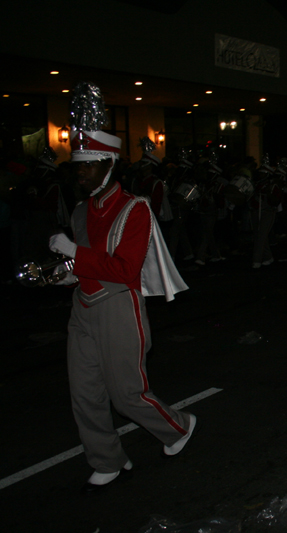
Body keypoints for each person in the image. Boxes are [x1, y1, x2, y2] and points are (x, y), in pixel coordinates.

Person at [47, 82, 194, 492]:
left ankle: (177, 426)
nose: (81, 172)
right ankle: (106, 457)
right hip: (84, 305)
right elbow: (85, 264)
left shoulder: (135, 208)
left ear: (109, 163)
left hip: (118, 305)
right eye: (78, 165)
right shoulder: (79, 209)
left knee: (126, 393)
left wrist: (76, 252)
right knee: (84, 393)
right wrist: (66, 272)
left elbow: (127, 269)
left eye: (89, 164)